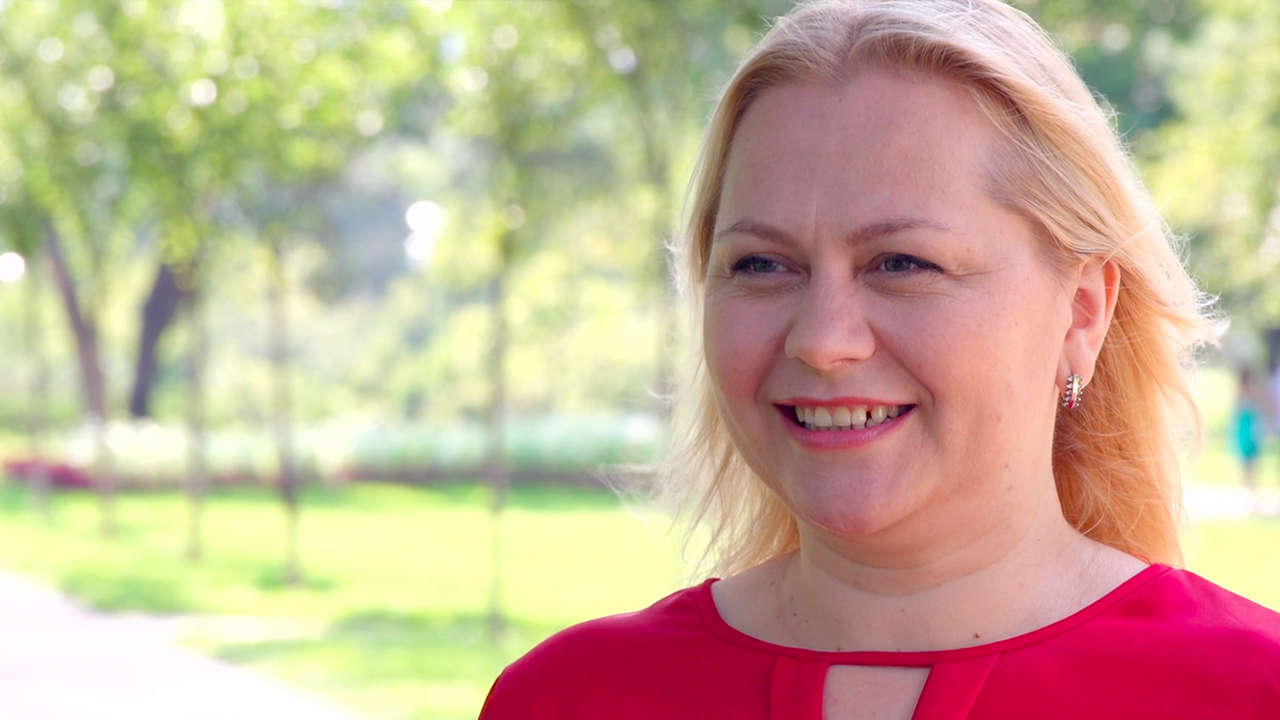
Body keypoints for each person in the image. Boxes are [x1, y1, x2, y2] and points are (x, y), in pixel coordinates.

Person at [481, 1, 1280, 717]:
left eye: (902, 263)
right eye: (762, 265)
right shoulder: (565, 700)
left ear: (1082, 312)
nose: (822, 341)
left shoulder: (1250, 691)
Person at [1234, 366, 1264, 507]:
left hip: (1248, 432)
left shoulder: (1247, 394)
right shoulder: (1244, 394)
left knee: (1249, 465)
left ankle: (1252, 494)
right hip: (1246, 432)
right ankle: (1250, 494)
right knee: (1248, 465)